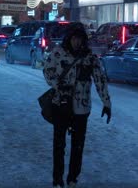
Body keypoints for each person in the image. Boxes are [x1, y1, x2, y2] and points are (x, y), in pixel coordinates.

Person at [43, 25, 112, 188]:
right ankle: (57, 178)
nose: (77, 41)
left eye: (80, 38)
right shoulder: (59, 53)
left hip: (82, 108)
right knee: (59, 145)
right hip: (61, 104)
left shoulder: (90, 58)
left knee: (78, 145)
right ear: (69, 38)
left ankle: (73, 178)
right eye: (74, 38)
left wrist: (106, 103)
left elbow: (100, 80)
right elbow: (47, 70)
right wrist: (57, 86)